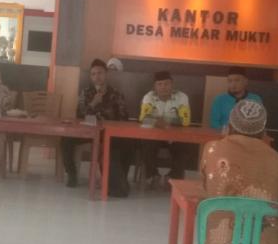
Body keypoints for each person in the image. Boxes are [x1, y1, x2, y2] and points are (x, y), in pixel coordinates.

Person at [192, 100, 278, 244]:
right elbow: (277, 200)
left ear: (230, 125)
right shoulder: (275, 158)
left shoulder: (213, 148)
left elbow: (207, 188)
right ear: (263, 131)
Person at [62, 59, 133, 196]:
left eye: (100, 73)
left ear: (106, 74)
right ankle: (72, 174)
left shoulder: (116, 94)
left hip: (108, 133)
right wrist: (93, 103)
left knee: (128, 143)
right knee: (66, 140)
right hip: (88, 131)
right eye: (93, 74)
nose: (97, 77)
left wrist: (109, 121)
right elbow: (79, 115)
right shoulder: (86, 92)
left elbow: (124, 117)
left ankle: (119, 180)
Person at [139, 71, 193, 184]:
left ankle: (173, 178)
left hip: (174, 134)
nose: (163, 87)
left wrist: (159, 122)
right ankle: (152, 175)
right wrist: (167, 123)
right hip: (154, 135)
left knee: (184, 146)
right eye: (160, 84)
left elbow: (185, 121)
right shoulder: (149, 97)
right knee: (146, 143)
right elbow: (143, 118)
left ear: (172, 84)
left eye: (166, 84)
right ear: (154, 87)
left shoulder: (181, 97)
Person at [209, 66, 263, 131]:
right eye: (230, 81)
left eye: (237, 80)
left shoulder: (255, 99)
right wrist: (228, 131)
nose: (233, 84)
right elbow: (214, 123)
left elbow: (259, 123)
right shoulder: (219, 99)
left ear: (246, 81)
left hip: (248, 135)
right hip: (224, 135)